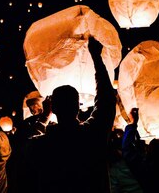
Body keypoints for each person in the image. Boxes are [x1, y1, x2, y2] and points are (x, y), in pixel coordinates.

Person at [22, 36, 117, 193]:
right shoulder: (93, 135)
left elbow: (26, 146)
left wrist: (44, 117)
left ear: (53, 108)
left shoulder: (43, 145)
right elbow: (106, 100)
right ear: (78, 107)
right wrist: (96, 58)